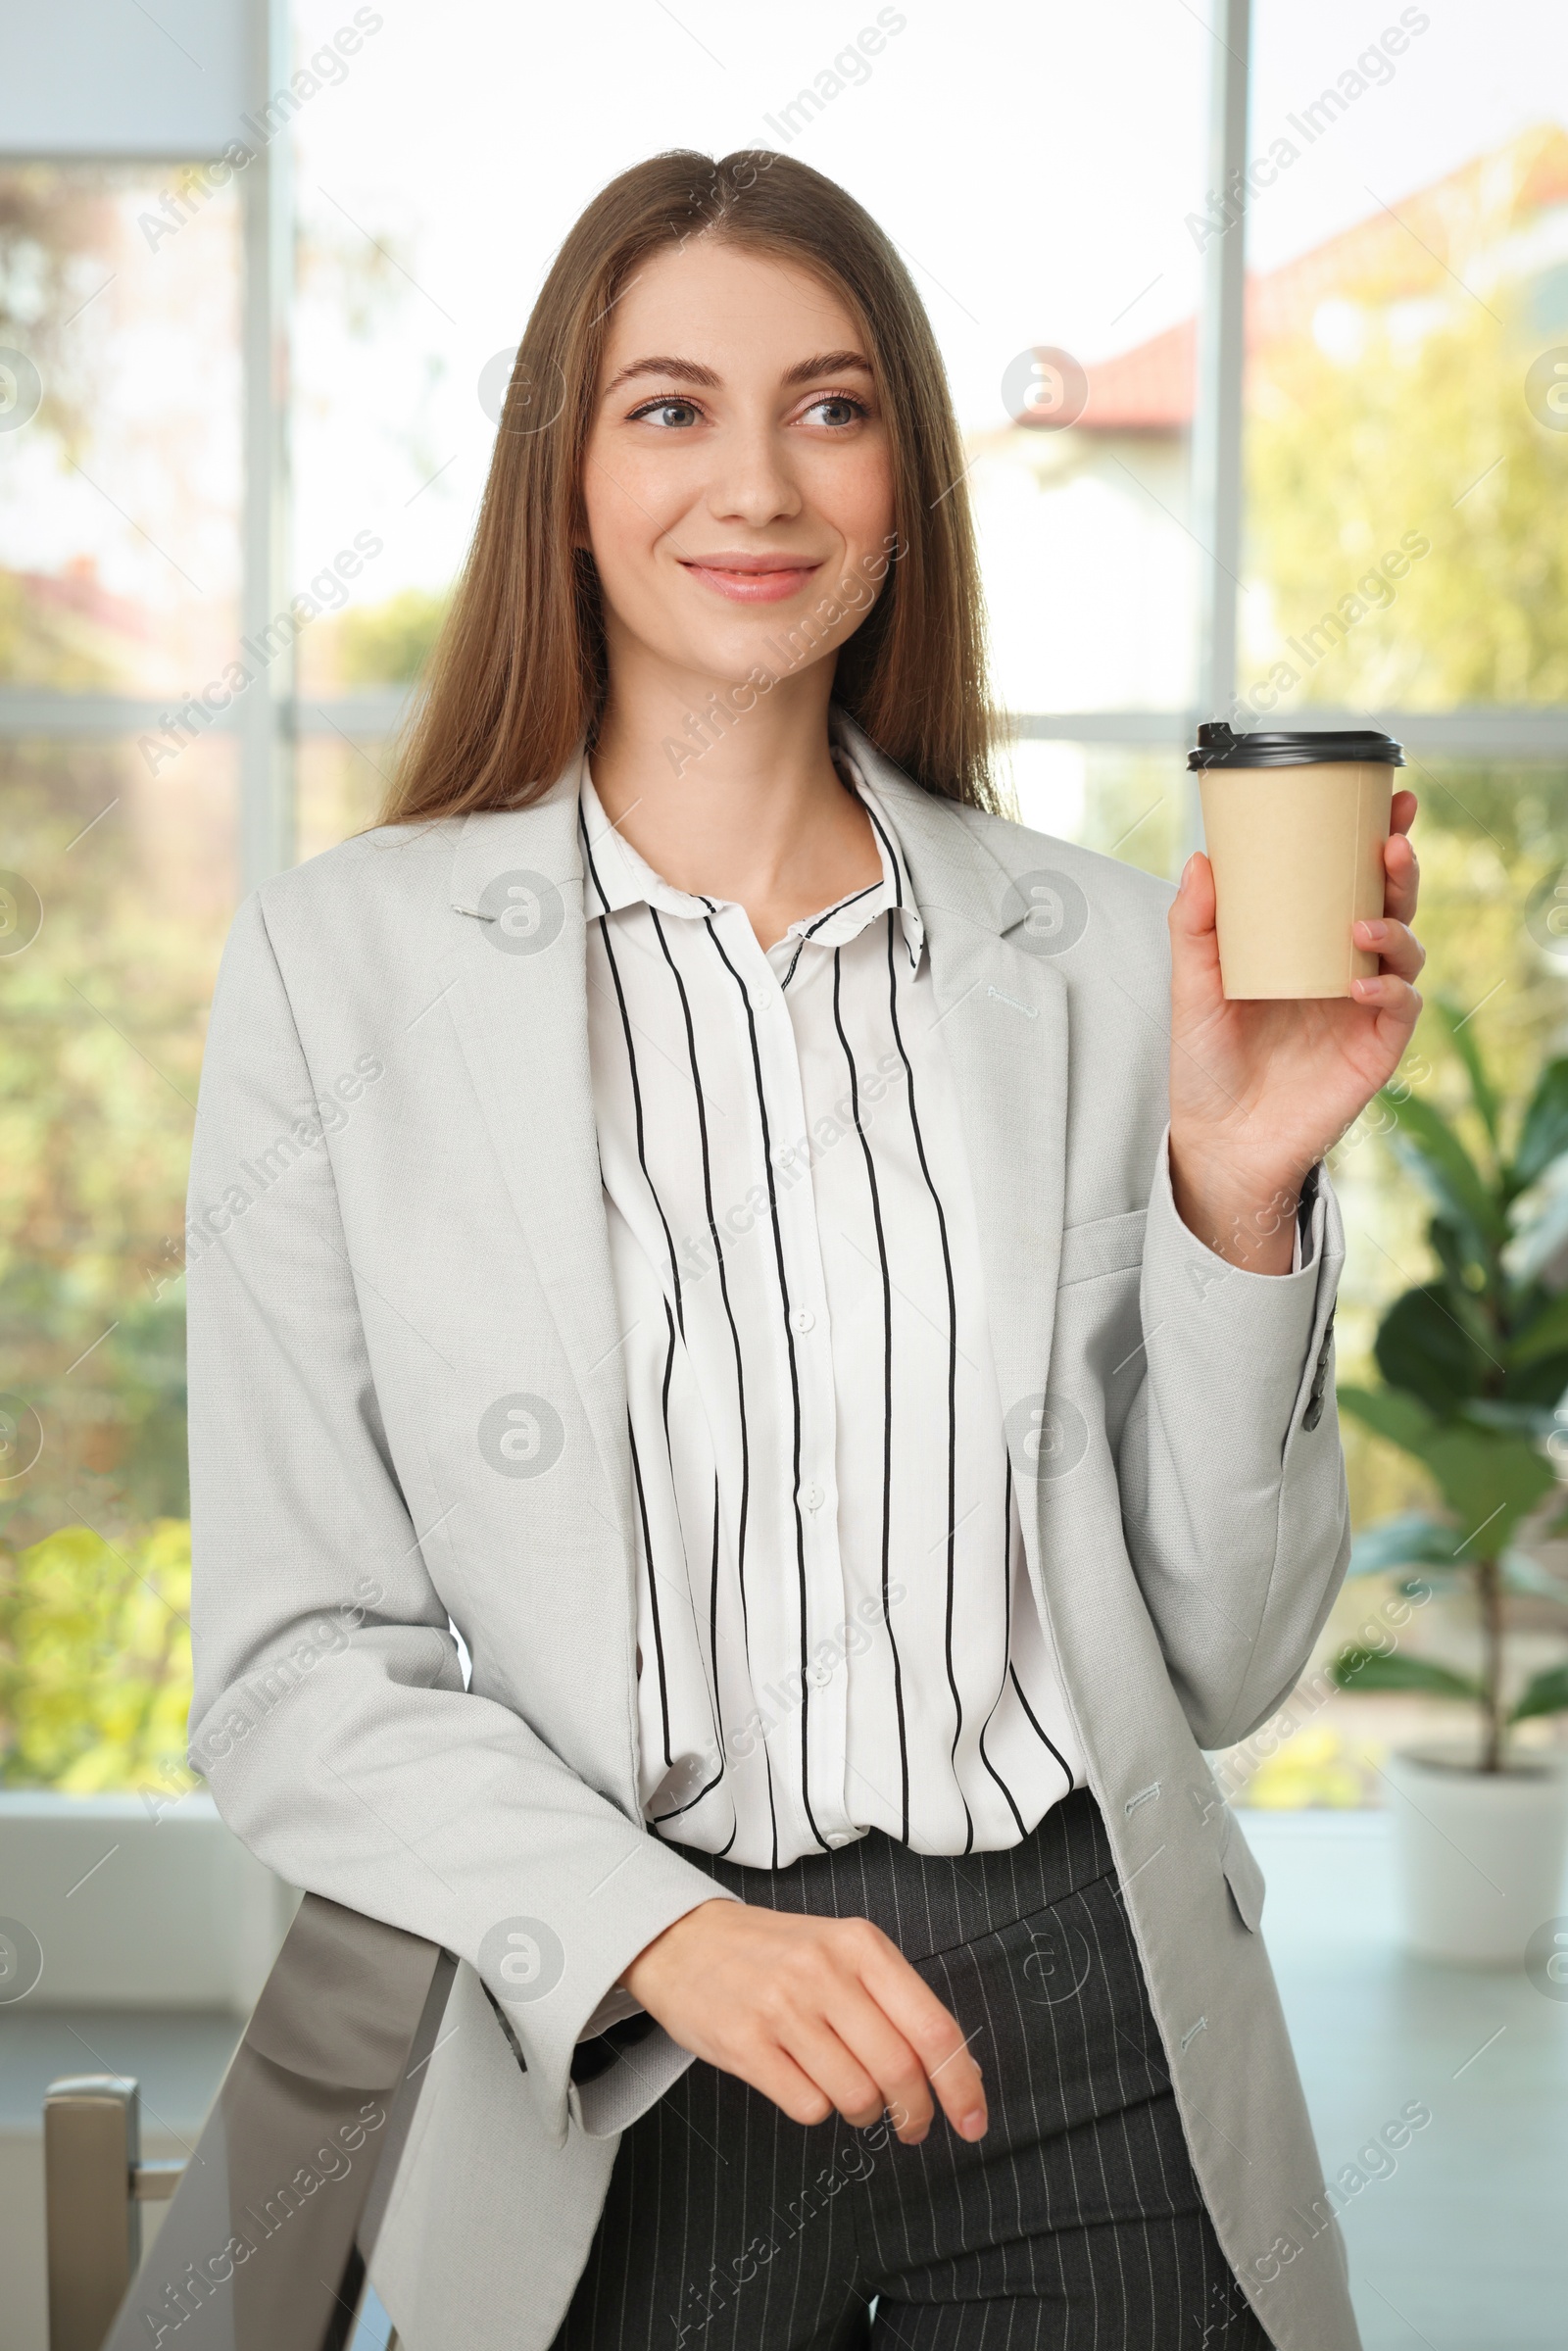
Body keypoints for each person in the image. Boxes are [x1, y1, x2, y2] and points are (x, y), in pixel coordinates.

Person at [186, 149, 1422, 2351]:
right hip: (618, 2042)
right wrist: (660, 1933)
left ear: (903, 480)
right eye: (669, 409)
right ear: (562, 478)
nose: (755, 481)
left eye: (830, 409)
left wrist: (1238, 1200)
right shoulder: (337, 971)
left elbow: (1221, 1664)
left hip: (1083, 2039)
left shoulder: (1103, 962)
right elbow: (296, 1676)